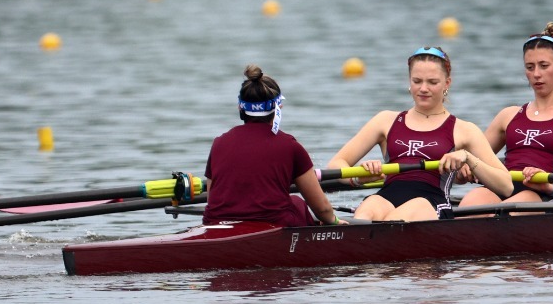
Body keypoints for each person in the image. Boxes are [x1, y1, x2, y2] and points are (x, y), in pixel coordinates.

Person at [329, 47, 515, 220]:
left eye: (432, 82)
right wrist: (357, 178)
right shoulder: (385, 120)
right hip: (386, 196)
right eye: (417, 81)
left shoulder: (464, 130)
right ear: (409, 81)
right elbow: (335, 166)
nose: (423, 88)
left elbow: (506, 186)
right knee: (366, 210)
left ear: (447, 83)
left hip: (431, 202)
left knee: (401, 216)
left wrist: (468, 159)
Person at [461, 25, 553, 207]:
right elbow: (475, 162)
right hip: (502, 187)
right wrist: (465, 168)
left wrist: (552, 187)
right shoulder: (508, 115)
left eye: (544, 66)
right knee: (469, 204)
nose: (536, 74)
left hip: (544, 195)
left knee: (509, 211)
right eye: (530, 67)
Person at [202, 65, 339, 226]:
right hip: (273, 228)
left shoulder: (219, 143)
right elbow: (323, 209)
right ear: (278, 108)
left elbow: (212, 199)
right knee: (296, 203)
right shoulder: (290, 146)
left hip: (215, 225)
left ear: (240, 108)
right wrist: (335, 222)